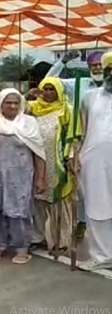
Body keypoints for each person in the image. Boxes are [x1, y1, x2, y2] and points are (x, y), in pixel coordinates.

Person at [0, 89, 46, 264]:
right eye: (8, 102)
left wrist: (40, 177)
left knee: (19, 211)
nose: (13, 106)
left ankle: (21, 248)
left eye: (16, 102)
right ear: (1, 104)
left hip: (20, 177)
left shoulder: (29, 123)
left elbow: (39, 152)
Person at [44, 50, 107, 238]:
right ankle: (81, 222)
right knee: (80, 186)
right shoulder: (79, 85)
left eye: (100, 65)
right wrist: (63, 61)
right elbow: (49, 81)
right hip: (81, 142)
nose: (97, 68)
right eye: (93, 65)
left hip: (105, 144)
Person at [28, 77, 76, 255]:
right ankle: (38, 237)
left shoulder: (67, 110)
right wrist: (29, 94)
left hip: (58, 163)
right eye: (45, 89)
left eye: (52, 89)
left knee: (59, 203)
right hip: (35, 161)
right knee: (38, 202)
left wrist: (70, 158)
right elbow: (15, 109)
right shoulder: (33, 108)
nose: (48, 93)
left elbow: (73, 136)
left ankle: (61, 241)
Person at [76, 52, 112, 271]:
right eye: (109, 70)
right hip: (95, 160)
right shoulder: (90, 96)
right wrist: (74, 155)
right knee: (97, 207)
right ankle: (102, 257)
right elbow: (80, 130)